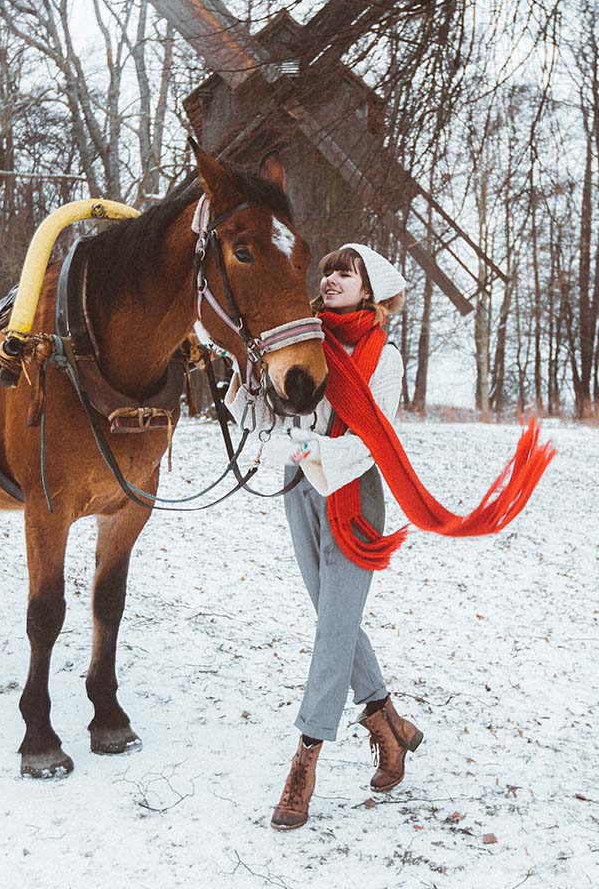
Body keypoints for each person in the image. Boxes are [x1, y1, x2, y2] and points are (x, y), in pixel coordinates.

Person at [226, 242, 422, 831]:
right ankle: (386, 721)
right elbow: (262, 415)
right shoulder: (301, 339)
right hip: (299, 492)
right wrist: (238, 378)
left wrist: (300, 448)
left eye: (348, 271)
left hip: (351, 492)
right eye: (330, 269)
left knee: (333, 626)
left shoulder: (383, 358)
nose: (333, 278)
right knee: (333, 619)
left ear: (371, 288)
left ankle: (305, 759)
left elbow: (369, 445)